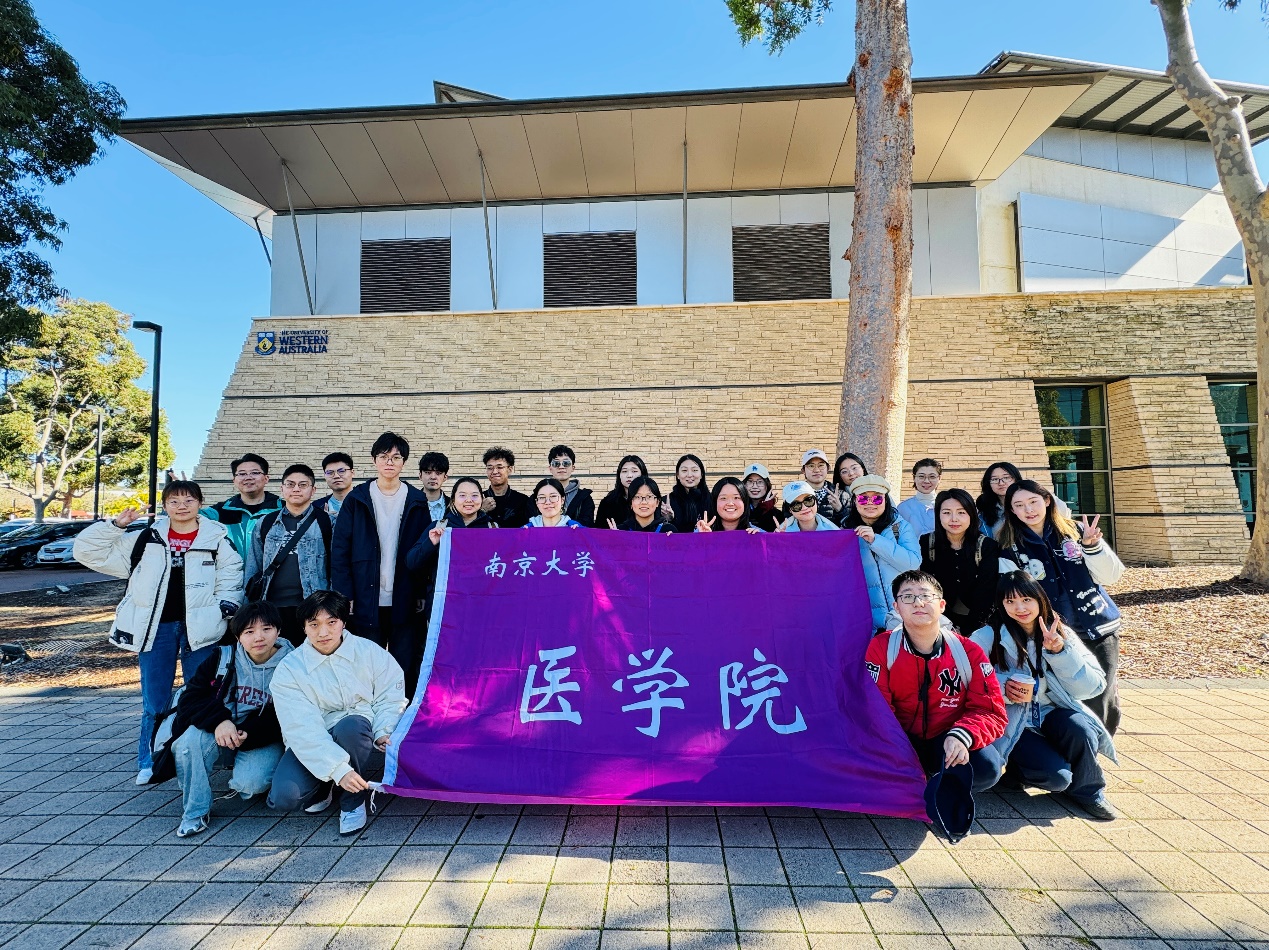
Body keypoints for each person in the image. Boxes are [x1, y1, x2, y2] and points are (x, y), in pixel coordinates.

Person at [72, 480, 244, 785]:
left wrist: (222, 609)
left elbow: (231, 576)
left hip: (201, 629)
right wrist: (115, 526)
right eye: (174, 501)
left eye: (188, 500)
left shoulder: (216, 538)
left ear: (199, 504)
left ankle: (194, 758)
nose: (182, 506)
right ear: (165, 506)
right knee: (155, 701)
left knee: (200, 695)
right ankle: (150, 760)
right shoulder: (145, 538)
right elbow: (86, 552)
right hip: (155, 629)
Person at [970, 572, 1118, 821]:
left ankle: (1089, 793)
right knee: (1057, 778)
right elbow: (965, 677)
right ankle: (1019, 771)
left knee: (1081, 729)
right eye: (1010, 601)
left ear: (1040, 599)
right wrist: (1003, 687)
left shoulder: (1060, 633)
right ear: (1001, 605)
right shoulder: (987, 636)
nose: (1019, 608)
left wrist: (1060, 652)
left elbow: (1092, 687)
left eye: (1026, 599)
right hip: (1011, 717)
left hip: (1050, 710)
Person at [267, 590, 406, 836]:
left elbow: (390, 695)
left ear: (343, 622)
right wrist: (337, 770)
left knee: (351, 727)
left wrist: (383, 730)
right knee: (285, 796)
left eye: (331, 622)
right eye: (314, 624)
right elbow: (301, 727)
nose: (323, 632)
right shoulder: (290, 669)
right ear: (304, 627)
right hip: (316, 734)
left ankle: (353, 802)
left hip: (357, 728)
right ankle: (326, 785)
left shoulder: (368, 651)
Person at [998, 480, 1125, 735]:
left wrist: (1092, 547)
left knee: (1102, 693)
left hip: (1097, 625)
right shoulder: (1009, 548)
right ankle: (1079, 747)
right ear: (1011, 510)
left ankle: (1100, 746)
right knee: (1067, 694)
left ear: (1047, 501)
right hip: (1053, 634)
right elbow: (1013, 595)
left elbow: (1111, 576)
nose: (1028, 510)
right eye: (1019, 505)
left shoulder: (1077, 532)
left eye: (1033, 502)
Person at [865, 571, 1006, 798]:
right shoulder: (882, 646)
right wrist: (897, 749)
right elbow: (876, 708)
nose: (918, 603)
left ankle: (938, 787)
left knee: (987, 767)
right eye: (908, 597)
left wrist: (961, 735)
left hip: (946, 737)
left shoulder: (969, 651)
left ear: (941, 605)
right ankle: (911, 781)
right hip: (900, 737)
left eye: (925, 596)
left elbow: (990, 711)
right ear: (897, 608)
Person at [170, 601, 294, 837]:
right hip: (218, 727)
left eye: (266, 629)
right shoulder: (223, 657)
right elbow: (190, 698)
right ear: (238, 636)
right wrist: (220, 721)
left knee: (251, 784)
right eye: (249, 631)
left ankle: (245, 772)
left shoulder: (293, 662)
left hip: (260, 735)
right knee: (188, 744)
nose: (258, 637)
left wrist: (251, 733)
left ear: (278, 631)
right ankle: (195, 811)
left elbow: (292, 713)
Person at [329, 432, 431, 688]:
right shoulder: (357, 498)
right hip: (365, 594)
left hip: (405, 595)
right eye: (384, 456)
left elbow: (424, 551)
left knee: (404, 663)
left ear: (404, 462)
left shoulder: (417, 500)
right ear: (374, 460)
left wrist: (421, 591)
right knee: (365, 663)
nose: (389, 462)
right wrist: (344, 594)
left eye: (396, 457)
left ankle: (402, 708)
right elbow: (340, 549)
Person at [245, 464, 332, 646]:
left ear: (313, 490)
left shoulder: (327, 522)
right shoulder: (266, 523)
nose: (296, 489)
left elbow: (336, 566)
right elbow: (254, 565)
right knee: (276, 657)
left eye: (303, 485)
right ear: (282, 488)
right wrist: (249, 606)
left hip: (313, 606)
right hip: (272, 607)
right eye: (290, 484)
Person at [782, 480, 887, 631]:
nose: (804, 507)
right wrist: (761, 539)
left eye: (808, 500)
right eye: (796, 505)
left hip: (828, 604)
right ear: (790, 509)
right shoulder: (780, 535)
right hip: (797, 605)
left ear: (816, 501)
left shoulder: (836, 533)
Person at [919, 488, 1001, 635]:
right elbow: (926, 587)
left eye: (961, 512)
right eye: (946, 513)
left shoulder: (987, 546)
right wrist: (947, 625)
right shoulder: (927, 543)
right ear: (938, 515)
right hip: (939, 620)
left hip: (979, 623)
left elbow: (986, 592)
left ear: (972, 514)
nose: (954, 519)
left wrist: (968, 630)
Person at [844, 475, 922, 627]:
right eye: (863, 499)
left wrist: (876, 541)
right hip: (864, 618)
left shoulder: (900, 527)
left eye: (877, 498)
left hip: (901, 613)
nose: (870, 503)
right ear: (855, 501)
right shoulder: (846, 531)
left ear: (886, 500)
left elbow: (912, 563)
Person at [205, 454, 284, 557]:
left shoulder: (284, 509)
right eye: (242, 474)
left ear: (266, 478)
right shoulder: (219, 511)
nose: (248, 478)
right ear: (234, 480)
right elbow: (190, 517)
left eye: (255, 473)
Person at [977, 462, 1070, 537]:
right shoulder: (985, 509)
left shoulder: (1039, 496)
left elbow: (1063, 514)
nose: (1001, 483)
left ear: (1016, 478)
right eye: (994, 479)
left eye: (1006, 477)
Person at [481, 447, 532, 528]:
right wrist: (482, 511)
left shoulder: (523, 500)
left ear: (510, 469)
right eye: (490, 468)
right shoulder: (478, 500)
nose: (494, 472)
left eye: (499, 467)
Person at [545, 445, 594, 526]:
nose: (561, 467)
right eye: (556, 463)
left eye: (566, 463)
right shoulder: (538, 497)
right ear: (550, 468)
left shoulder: (585, 498)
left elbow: (587, 525)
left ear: (573, 468)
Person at [596, 456, 648, 530]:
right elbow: (598, 531)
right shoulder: (608, 503)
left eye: (634, 471)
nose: (629, 475)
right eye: (624, 471)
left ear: (642, 474)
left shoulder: (651, 501)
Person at [664, 454, 710, 533]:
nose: (689, 475)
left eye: (694, 470)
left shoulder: (712, 500)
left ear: (701, 474)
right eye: (684, 470)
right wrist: (669, 520)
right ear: (678, 475)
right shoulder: (667, 502)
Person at [897, 458, 943, 537]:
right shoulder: (903, 508)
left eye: (932, 476)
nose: (926, 481)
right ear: (914, 478)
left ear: (939, 478)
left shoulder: (945, 505)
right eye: (921, 476)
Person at [800, 449, 841, 521]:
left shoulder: (841, 495)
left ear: (828, 468)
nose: (816, 470)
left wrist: (840, 509)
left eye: (821, 465)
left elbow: (850, 524)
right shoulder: (794, 495)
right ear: (803, 470)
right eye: (811, 466)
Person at [314, 453, 355, 525]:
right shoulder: (316, 507)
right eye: (330, 472)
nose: (336, 476)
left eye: (341, 471)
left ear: (352, 473)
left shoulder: (367, 503)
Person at [740, 463, 782, 532]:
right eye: (750, 481)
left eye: (760, 482)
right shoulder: (739, 511)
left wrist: (766, 510)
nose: (755, 486)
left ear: (767, 485)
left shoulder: (777, 515)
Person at [832, 453, 868, 524]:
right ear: (840, 477)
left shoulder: (878, 490)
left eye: (854, 468)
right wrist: (839, 509)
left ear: (863, 469)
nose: (851, 473)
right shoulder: (836, 497)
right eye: (844, 471)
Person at [417, 452, 451, 524]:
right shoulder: (410, 504)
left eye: (438, 473)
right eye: (428, 472)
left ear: (445, 477)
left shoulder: (453, 506)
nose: (433, 477)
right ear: (420, 476)